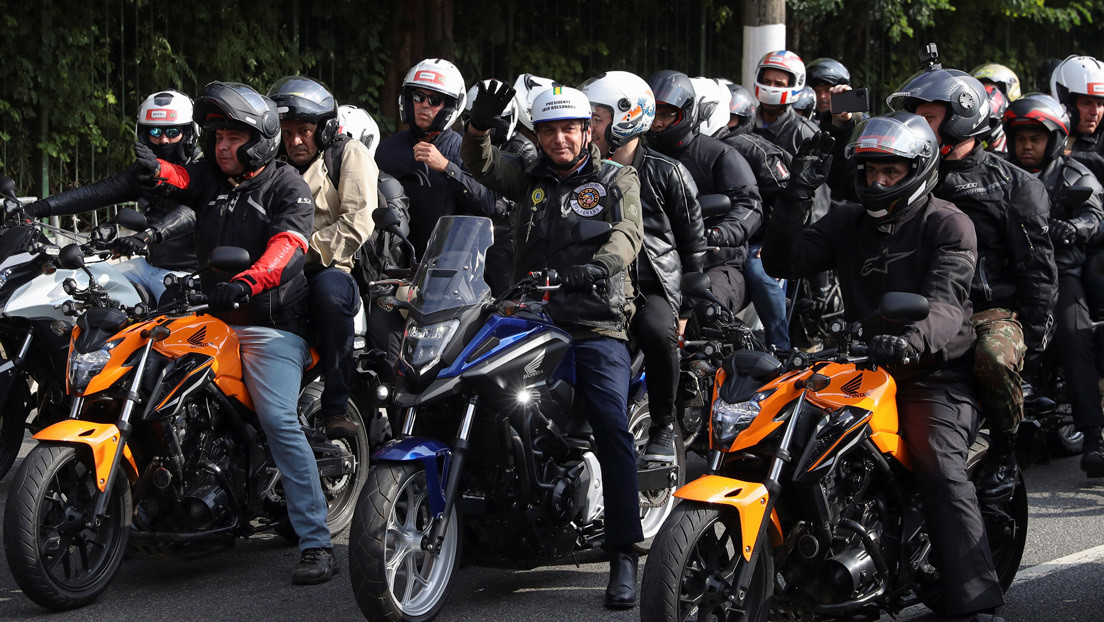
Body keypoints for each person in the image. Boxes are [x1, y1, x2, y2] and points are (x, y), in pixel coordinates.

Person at [762, 115, 1006, 622]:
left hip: (933, 372)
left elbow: (945, 305)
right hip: (861, 367)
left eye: (891, 171)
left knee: (940, 463)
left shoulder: (947, 222)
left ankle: (978, 602)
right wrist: (795, 195)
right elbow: (782, 261)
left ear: (918, 169)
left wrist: (909, 342)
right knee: (787, 437)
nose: (877, 181)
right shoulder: (848, 220)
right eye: (870, 170)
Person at [129, 81, 336, 584]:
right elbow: (178, 177)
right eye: (217, 136)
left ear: (260, 140)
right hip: (212, 321)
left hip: (270, 326)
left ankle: (316, 542)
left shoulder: (288, 186)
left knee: (278, 419)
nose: (222, 146)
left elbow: (288, 247)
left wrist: (247, 282)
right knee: (148, 380)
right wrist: (154, 168)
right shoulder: (213, 177)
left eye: (233, 137)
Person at [460, 82, 645, 610]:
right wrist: (476, 127)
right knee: (480, 396)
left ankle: (623, 554)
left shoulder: (617, 177)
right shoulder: (531, 178)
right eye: (548, 130)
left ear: (588, 131)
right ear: (536, 135)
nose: (559, 139)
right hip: (531, 314)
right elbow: (481, 166)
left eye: (569, 128)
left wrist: (598, 268)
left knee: (611, 423)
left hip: (595, 322)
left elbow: (628, 234)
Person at [888, 65, 1057, 494]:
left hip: (988, 312)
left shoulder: (1014, 186)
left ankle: (1003, 449)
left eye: (928, 118)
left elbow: (1036, 270)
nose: (916, 126)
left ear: (961, 117)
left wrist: (1032, 344)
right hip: (921, 307)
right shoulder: (905, 175)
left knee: (994, 359)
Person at [581, 70, 706, 461]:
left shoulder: (668, 171)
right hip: (592, 284)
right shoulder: (581, 171)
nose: (587, 130)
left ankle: (662, 427)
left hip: (648, 288)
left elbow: (693, 243)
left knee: (658, 333)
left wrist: (682, 311)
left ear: (626, 117)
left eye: (595, 120)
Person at [268, 75, 378, 440]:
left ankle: (335, 407)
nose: (295, 140)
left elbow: (358, 221)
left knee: (330, 297)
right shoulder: (270, 162)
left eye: (304, 130)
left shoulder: (347, 155)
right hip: (269, 267)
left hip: (326, 267)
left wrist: (300, 253)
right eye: (287, 132)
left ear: (325, 128)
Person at [1004, 93, 1104, 475]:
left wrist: (1075, 227)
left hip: (1062, 275)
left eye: (1036, 138)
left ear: (1054, 140)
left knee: (1075, 334)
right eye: (1021, 138)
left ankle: (1093, 437)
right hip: (1010, 276)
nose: (1027, 145)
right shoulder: (1000, 173)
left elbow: (1096, 214)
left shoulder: (1073, 173)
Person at [22, 90, 200, 302]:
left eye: (172, 132)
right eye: (154, 131)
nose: (163, 140)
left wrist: (145, 236)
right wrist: (39, 208)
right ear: (143, 135)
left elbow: (190, 213)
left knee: (165, 325)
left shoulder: (202, 170)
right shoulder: (142, 173)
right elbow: (94, 193)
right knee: (78, 286)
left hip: (188, 275)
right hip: (149, 265)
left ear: (189, 133)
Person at [646, 70, 763, 316]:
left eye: (666, 114)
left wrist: (718, 234)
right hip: (656, 263)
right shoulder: (638, 156)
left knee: (707, 310)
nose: (657, 123)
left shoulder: (720, 155)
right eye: (652, 113)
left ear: (686, 112)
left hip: (718, 264)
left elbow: (749, 205)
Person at [375, 58, 495, 255]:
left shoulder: (467, 150)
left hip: (448, 260)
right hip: (393, 260)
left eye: (434, 100)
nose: (424, 105)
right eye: (418, 97)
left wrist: (447, 168)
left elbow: (488, 205)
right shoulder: (387, 149)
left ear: (449, 106)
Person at [714, 83, 792, 350]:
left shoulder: (755, 150)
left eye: (730, 117)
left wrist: (774, 241)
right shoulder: (695, 149)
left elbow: (790, 197)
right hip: (716, 240)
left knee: (760, 273)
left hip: (757, 241)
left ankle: (780, 347)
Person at [460, 79, 525, 296]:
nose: (489, 125)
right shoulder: (467, 147)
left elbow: (499, 203)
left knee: (506, 294)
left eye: (497, 120)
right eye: (477, 118)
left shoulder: (522, 149)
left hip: (505, 235)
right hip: (472, 231)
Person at [751, 50, 820, 157]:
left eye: (779, 84)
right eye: (766, 81)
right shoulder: (743, 122)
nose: (771, 88)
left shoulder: (805, 132)